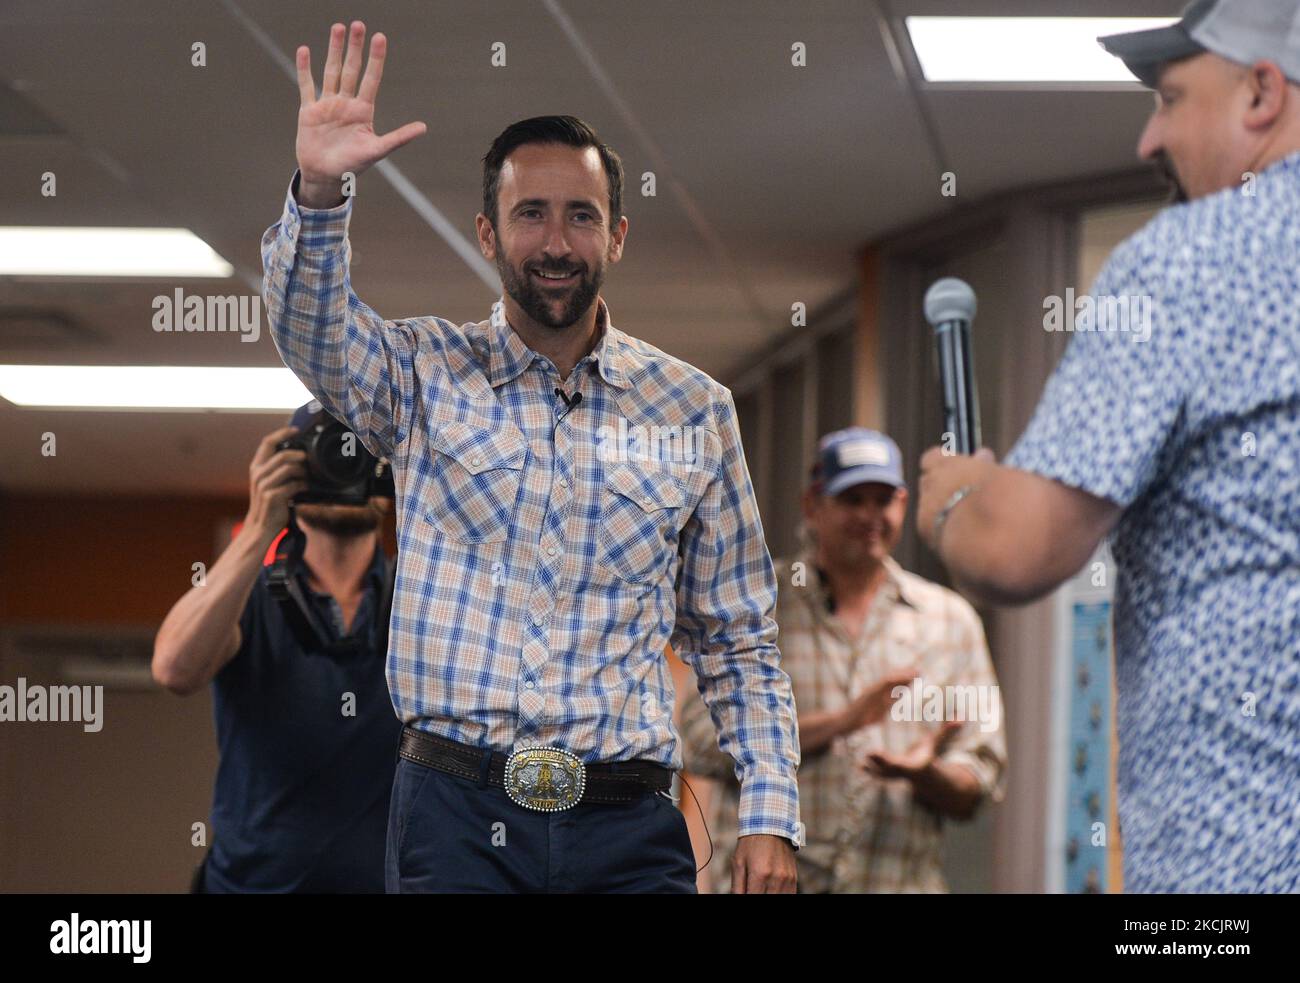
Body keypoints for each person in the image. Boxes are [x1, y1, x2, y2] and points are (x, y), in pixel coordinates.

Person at [261, 21, 801, 893]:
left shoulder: (696, 411)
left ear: (616, 235)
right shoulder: (423, 376)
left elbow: (736, 640)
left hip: (628, 827)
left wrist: (771, 809)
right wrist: (321, 192)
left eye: (581, 216)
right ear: (486, 232)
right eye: (531, 215)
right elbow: (313, 336)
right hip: (456, 815)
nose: (556, 243)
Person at [916, 0, 1300, 892]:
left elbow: (1015, 548)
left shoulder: (1194, 258)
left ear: (1261, 95)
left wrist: (957, 493)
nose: (1147, 138)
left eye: (1169, 99)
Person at [682, 429, 1005, 892]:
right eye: (853, 499)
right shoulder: (757, 606)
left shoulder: (951, 622)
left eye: (884, 499)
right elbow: (696, 741)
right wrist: (841, 723)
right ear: (813, 506)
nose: (871, 515)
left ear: (904, 503)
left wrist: (926, 773)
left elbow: (982, 774)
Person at [152, 403, 401, 892]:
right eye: (328, 452)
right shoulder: (246, 596)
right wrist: (260, 523)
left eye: (360, 452)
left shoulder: (423, 607)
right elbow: (174, 670)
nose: (343, 463)